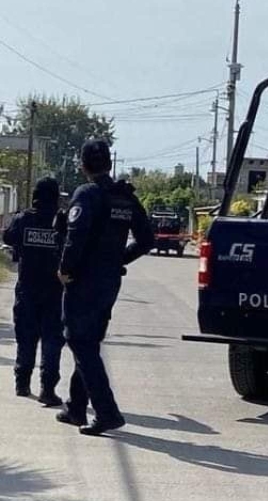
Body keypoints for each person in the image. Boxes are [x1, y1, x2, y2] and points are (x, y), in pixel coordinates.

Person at [56, 139, 154, 436]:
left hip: (83, 280)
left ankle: (107, 411)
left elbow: (75, 236)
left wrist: (65, 270)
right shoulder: (125, 197)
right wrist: (118, 259)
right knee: (88, 342)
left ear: (83, 165)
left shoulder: (87, 194)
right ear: (109, 164)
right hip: (109, 281)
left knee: (80, 342)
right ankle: (76, 407)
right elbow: (147, 240)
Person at [2, 178, 66, 406]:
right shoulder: (62, 222)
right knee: (51, 339)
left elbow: (7, 237)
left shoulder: (23, 219)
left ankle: (22, 383)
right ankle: (47, 389)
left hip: (27, 288)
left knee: (26, 337)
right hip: (54, 291)